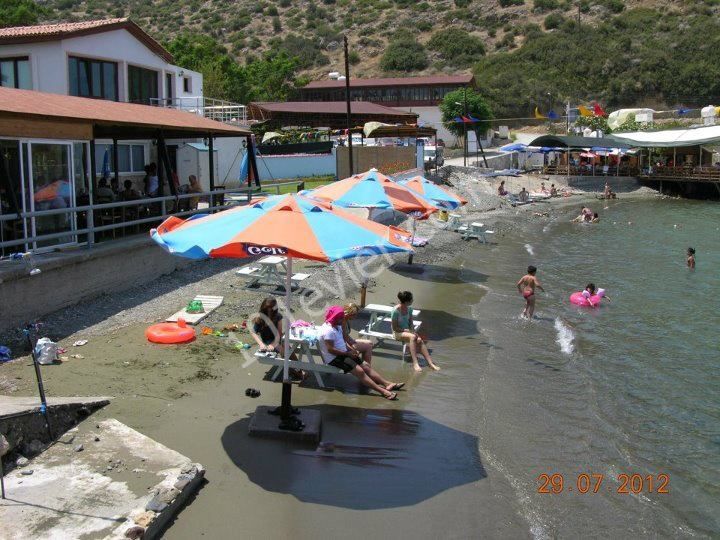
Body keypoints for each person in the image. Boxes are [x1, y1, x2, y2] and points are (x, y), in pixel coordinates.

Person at [319, 306, 403, 400]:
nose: (342, 319)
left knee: (366, 366)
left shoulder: (337, 326)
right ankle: (383, 392)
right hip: (334, 358)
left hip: (344, 353)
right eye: (340, 317)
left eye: (342, 317)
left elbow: (341, 342)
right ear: (334, 317)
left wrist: (350, 349)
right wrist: (348, 354)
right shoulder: (328, 331)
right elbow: (330, 350)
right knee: (360, 371)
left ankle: (387, 384)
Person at [250, 297, 303, 380]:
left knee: (288, 349)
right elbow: (253, 332)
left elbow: (279, 334)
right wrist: (261, 344)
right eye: (267, 307)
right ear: (264, 307)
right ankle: (297, 371)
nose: (269, 309)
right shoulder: (260, 318)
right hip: (267, 340)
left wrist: (273, 344)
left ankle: (298, 369)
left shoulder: (278, 316)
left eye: (271, 307)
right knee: (284, 350)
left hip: (277, 338)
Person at [391, 291, 440, 372]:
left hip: (408, 332)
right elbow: (395, 327)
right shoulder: (396, 311)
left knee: (419, 340)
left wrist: (413, 331)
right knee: (413, 337)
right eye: (411, 299)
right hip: (397, 333)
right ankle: (415, 363)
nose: (413, 300)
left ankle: (430, 363)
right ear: (407, 302)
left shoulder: (409, 309)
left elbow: (410, 323)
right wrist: (406, 330)